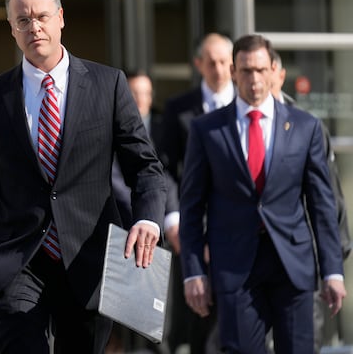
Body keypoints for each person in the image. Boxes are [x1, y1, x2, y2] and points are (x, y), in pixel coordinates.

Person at [0, 0, 167, 354]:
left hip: (88, 258)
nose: (35, 28)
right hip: (15, 260)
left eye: (42, 17)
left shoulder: (107, 85)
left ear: (61, 18)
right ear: (12, 29)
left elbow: (144, 165)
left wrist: (147, 218)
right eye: (23, 20)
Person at [179, 34, 347, 353]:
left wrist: (333, 270)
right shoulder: (207, 130)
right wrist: (193, 273)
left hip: (292, 264)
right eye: (245, 71)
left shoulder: (305, 126)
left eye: (259, 70)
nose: (253, 79)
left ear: (273, 71)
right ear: (233, 72)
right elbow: (191, 207)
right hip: (235, 267)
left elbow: (322, 204)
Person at [269, 50, 351, 353]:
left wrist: (333, 257)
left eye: (266, 71)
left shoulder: (308, 125)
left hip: (304, 258)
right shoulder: (233, 122)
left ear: (278, 74)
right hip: (253, 261)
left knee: (303, 341)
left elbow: (328, 195)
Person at [159, 32, 235, 354]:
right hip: (193, 228)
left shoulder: (247, 105)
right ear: (198, 64)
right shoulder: (178, 109)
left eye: (224, 63)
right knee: (197, 317)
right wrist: (173, 219)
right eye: (211, 62)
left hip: (237, 228)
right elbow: (165, 167)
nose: (218, 70)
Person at [108, 70, 177, 354]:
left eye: (144, 94)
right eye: (133, 94)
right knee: (119, 326)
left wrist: (164, 217)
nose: (139, 101)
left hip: (154, 233)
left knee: (155, 323)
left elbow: (166, 177)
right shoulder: (110, 131)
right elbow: (115, 180)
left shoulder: (162, 131)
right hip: (119, 232)